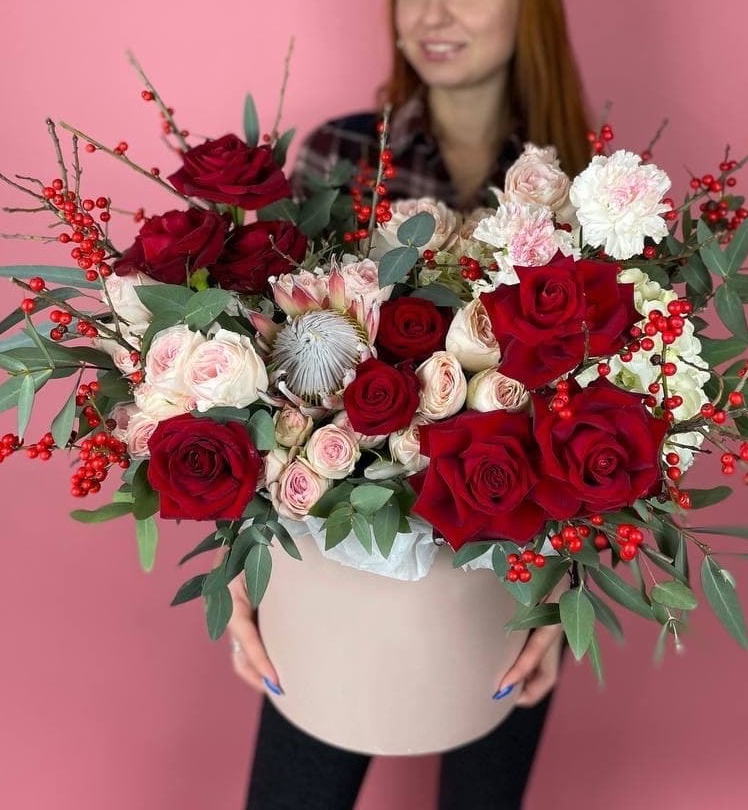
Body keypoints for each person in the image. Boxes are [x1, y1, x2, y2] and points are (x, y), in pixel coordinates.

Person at [226, 1, 592, 807]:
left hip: (509, 582)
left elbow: (616, 413)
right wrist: (241, 567)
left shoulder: (590, 190)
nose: (433, 13)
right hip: (332, 569)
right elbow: (263, 369)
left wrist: (567, 589)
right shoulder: (343, 154)